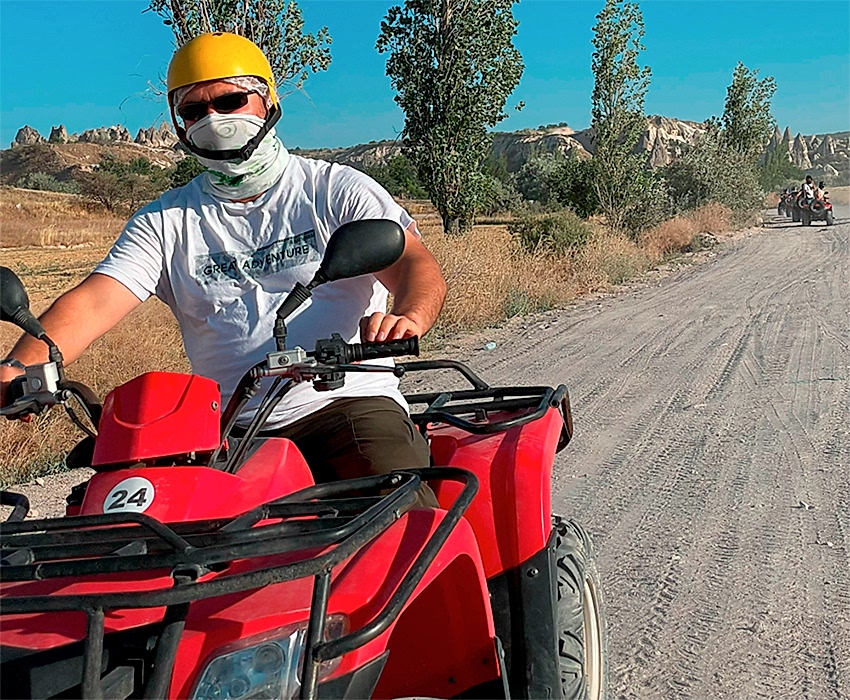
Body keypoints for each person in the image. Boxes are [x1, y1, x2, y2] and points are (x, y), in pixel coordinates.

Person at [0, 33, 446, 505]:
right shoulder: (166, 220)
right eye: (194, 111)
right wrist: (20, 365)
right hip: (228, 428)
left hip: (346, 404)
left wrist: (408, 317)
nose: (214, 119)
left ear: (268, 101)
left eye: (231, 100)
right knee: (145, 540)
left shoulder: (332, 190)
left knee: (404, 518)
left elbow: (413, 262)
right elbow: (96, 298)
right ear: (179, 123)